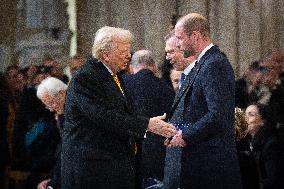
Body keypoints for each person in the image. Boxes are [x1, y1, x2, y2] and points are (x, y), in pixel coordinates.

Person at [61, 26, 177, 189]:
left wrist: (148, 124)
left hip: (111, 167)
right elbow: (104, 116)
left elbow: (122, 113)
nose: (129, 56)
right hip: (93, 171)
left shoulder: (114, 76)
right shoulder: (86, 78)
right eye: (124, 51)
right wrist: (147, 125)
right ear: (106, 54)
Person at [166, 13, 242, 188]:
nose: (177, 43)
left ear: (195, 35)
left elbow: (218, 114)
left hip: (213, 168)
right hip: (203, 165)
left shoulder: (214, 64)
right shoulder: (204, 63)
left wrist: (185, 135)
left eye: (179, 38)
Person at [124, 50, 175, 188]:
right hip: (159, 161)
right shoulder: (167, 90)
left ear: (131, 67)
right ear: (154, 67)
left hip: (128, 160)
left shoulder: (123, 86)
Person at [163, 32, 196, 189]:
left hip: (192, 165)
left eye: (170, 52)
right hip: (177, 167)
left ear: (183, 48)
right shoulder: (184, 78)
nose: (167, 57)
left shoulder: (199, 77)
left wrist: (179, 132)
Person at [36, 77, 67, 189]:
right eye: (47, 105)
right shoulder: (60, 115)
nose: (50, 109)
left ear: (61, 93)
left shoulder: (75, 115)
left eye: (51, 103)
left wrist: (52, 184)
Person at [245, 103, 284, 188]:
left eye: (251, 115)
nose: (245, 118)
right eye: (244, 114)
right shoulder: (246, 141)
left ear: (262, 122)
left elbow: (273, 180)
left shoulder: (271, 144)